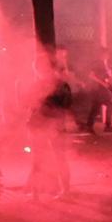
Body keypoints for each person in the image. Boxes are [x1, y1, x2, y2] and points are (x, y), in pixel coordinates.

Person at [27, 57, 72, 199]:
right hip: (47, 126)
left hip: (51, 126)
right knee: (45, 159)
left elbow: (63, 107)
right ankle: (38, 193)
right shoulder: (60, 85)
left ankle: (40, 193)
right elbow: (32, 106)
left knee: (47, 159)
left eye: (38, 68)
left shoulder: (59, 86)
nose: (38, 71)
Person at [85, 47, 112, 133]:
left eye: (107, 54)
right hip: (99, 88)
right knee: (110, 103)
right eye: (104, 54)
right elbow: (91, 75)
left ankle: (89, 125)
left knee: (96, 106)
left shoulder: (105, 64)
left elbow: (107, 75)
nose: (106, 55)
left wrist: (111, 79)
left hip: (100, 88)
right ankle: (107, 125)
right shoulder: (97, 63)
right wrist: (102, 83)